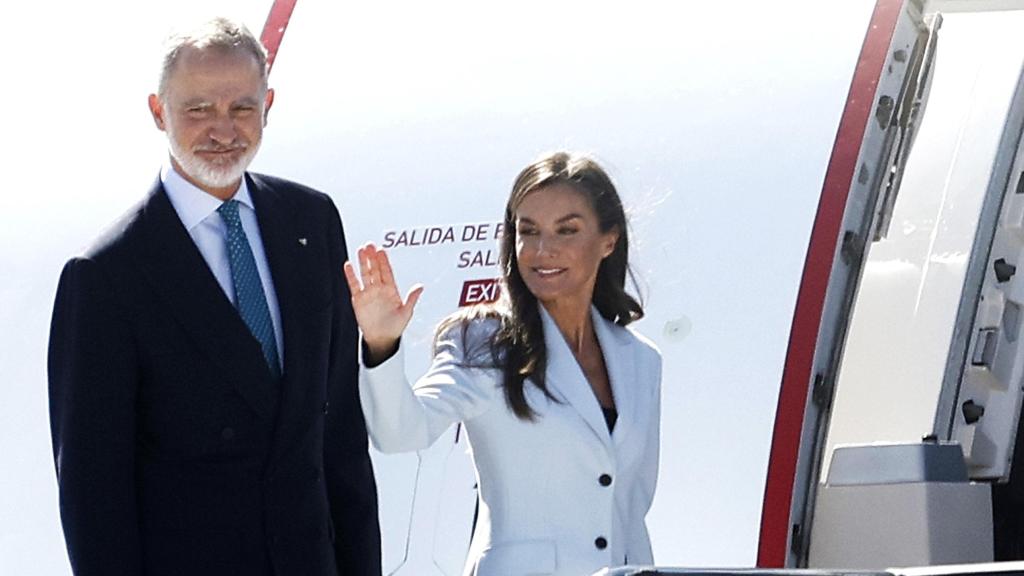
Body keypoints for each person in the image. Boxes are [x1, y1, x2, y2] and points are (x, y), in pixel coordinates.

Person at [47, 18, 380, 576]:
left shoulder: (312, 222)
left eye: (242, 108)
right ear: (158, 112)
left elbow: (339, 432)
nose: (222, 131)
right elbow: (93, 490)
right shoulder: (106, 274)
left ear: (268, 104)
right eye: (198, 109)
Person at [345, 151, 662, 576]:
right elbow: (401, 432)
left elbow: (631, 509)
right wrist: (381, 342)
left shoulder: (640, 360)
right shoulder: (483, 341)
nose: (542, 250)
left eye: (566, 230)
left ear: (609, 240)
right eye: (527, 231)